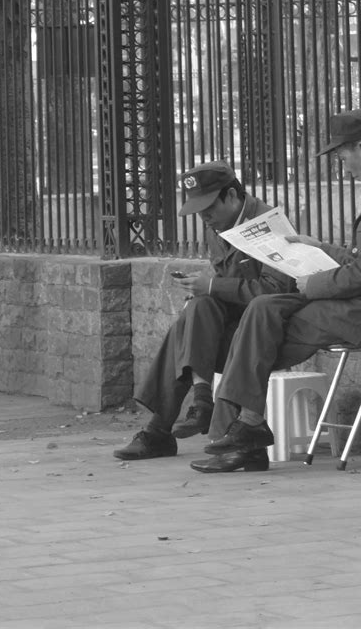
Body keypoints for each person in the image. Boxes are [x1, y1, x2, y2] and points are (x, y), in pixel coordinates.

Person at [190, 108, 361, 473]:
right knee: (262, 309)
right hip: (354, 297)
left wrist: (313, 283)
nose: (344, 166)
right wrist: (316, 246)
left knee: (257, 333)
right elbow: (359, 258)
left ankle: (243, 433)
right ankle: (247, 429)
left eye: (343, 156)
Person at [113, 160, 295, 461]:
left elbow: (274, 292)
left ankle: (162, 428)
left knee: (189, 321)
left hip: (264, 323)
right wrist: (203, 290)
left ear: (232, 196)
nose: (204, 217)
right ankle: (197, 404)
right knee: (197, 308)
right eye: (198, 210)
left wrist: (212, 287)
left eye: (209, 207)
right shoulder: (218, 225)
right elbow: (221, 279)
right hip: (230, 317)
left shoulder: (267, 224)